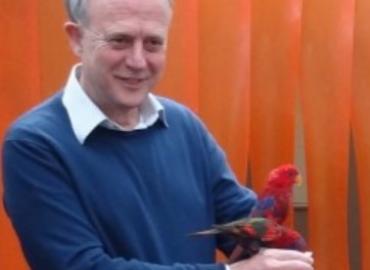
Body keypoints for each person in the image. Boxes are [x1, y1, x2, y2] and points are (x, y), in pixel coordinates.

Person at [1, 0, 314, 269]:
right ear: (76, 38)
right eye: (119, 40)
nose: (138, 61)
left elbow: (239, 221)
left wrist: (283, 247)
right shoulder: (35, 144)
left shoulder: (182, 124)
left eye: (153, 43)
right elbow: (79, 266)